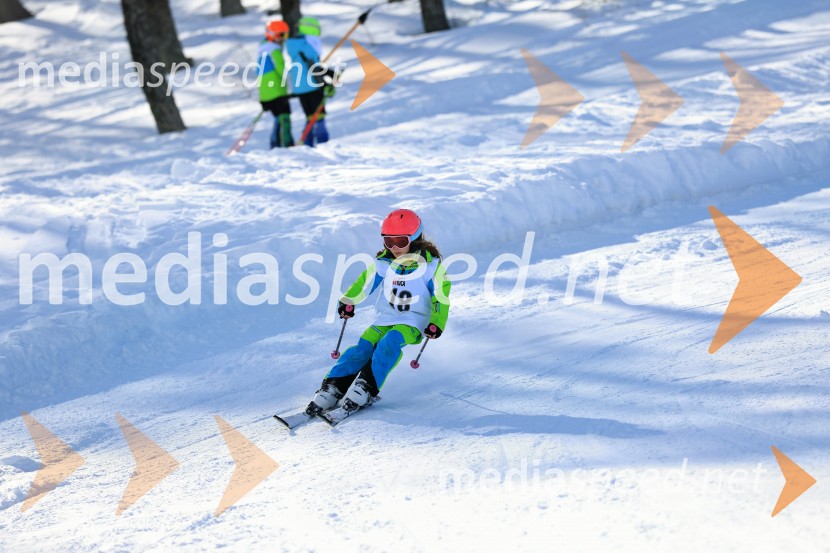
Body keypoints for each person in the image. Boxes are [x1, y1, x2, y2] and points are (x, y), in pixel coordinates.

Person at [305, 209, 452, 416]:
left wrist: (437, 322)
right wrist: (348, 301)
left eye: (400, 241)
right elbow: (363, 284)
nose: (394, 247)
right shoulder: (383, 263)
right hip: (385, 318)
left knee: (389, 342)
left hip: (414, 321)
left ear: (415, 238)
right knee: (362, 348)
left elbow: (441, 298)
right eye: (388, 241)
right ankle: (333, 386)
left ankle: (366, 387)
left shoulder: (431, 267)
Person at [286, 16, 333, 146]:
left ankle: (307, 142)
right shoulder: (308, 45)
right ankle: (323, 143)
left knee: (309, 116)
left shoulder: (293, 44)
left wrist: (327, 73)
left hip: (300, 87)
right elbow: (313, 67)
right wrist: (326, 81)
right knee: (319, 115)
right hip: (312, 85)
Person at [257, 20, 294, 148]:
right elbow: (281, 69)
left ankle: (276, 144)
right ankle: (285, 144)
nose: (282, 40)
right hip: (278, 91)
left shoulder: (262, 50)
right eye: (280, 36)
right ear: (271, 35)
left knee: (278, 118)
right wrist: (291, 86)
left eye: (285, 36)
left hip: (267, 93)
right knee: (284, 117)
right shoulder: (274, 50)